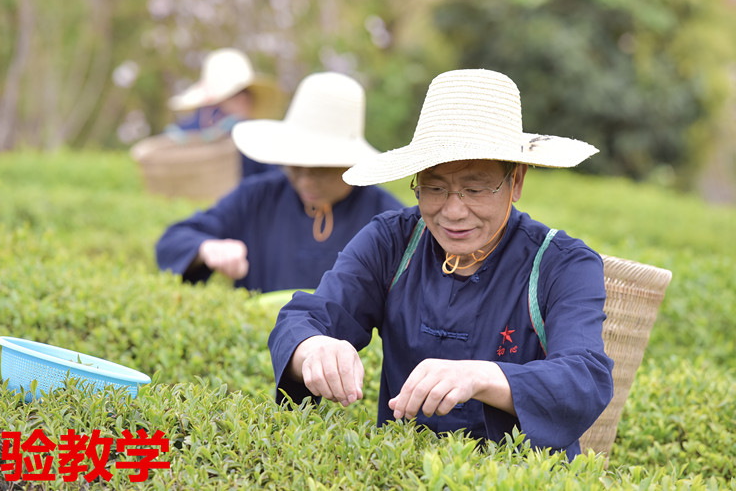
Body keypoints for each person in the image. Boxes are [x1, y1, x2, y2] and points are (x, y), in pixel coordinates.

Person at [268, 69, 615, 458]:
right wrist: (313, 348)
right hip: (401, 474)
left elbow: (585, 378)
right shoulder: (392, 240)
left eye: (475, 187)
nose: (452, 211)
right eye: (434, 187)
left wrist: (482, 376)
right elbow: (305, 316)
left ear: (516, 181)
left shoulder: (562, 263)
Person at [155, 72, 404, 293]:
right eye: (295, 167)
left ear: (352, 163)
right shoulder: (257, 197)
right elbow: (174, 240)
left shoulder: (387, 218)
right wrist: (206, 248)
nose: (306, 182)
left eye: (321, 170)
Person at [167, 48, 287, 178]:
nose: (245, 100)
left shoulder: (258, 137)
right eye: (236, 94)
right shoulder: (182, 135)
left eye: (246, 93)